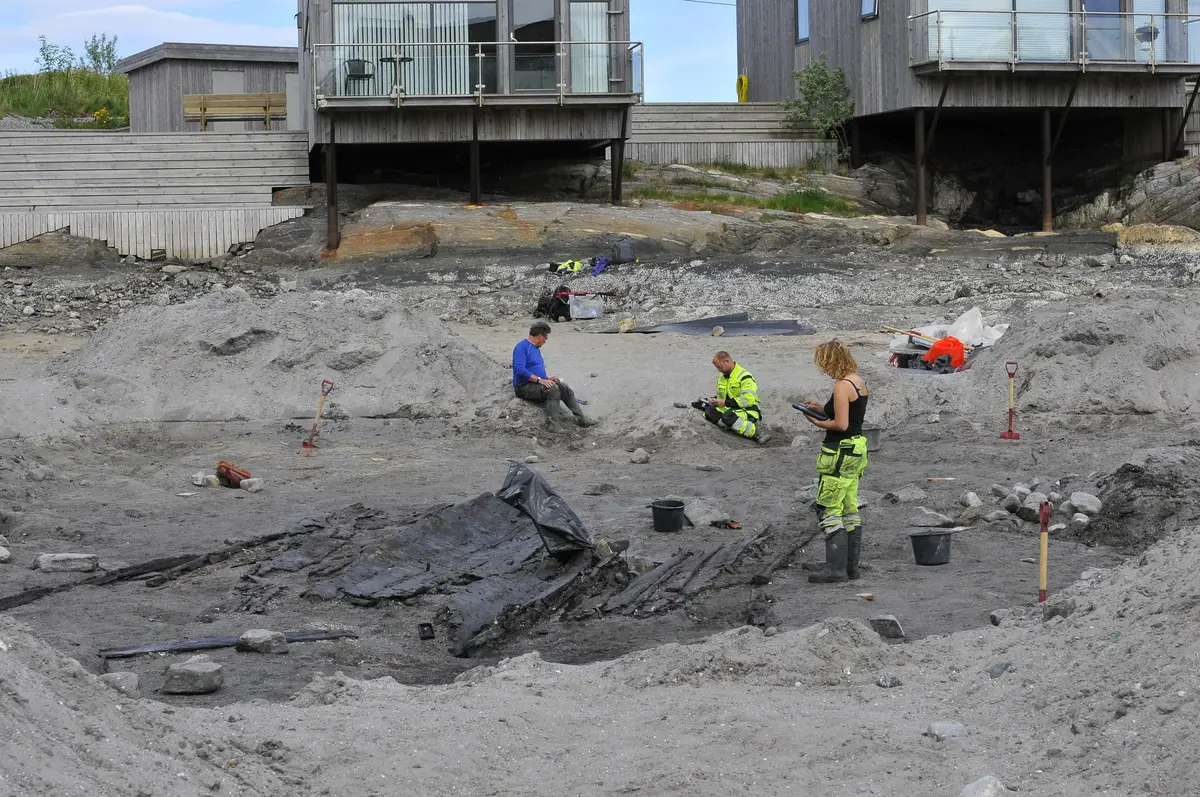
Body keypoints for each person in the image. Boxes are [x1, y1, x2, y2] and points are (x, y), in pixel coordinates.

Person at [801, 340, 869, 584]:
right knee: (850, 508)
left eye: (824, 364)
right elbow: (850, 416)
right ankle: (851, 568)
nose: (824, 370)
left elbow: (840, 424)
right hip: (857, 449)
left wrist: (818, 422)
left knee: (829, 508)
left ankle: (836, 570)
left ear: (831, 361)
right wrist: (822, 408)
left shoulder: (841, 386)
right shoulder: (858, 382)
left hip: (838, 450)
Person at [512, 321, 594, 434]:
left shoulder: (535, 349)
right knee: (553, 389)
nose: (545, 341)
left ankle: (581, 419)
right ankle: (553, 425)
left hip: (535, 383)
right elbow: (519, 369)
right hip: (523, 387)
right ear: (540, 336)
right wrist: (540, 380)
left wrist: (547, 378)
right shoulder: (522, 347)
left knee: (563, 387)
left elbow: (534, 369)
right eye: (545, 338)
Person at [701, 351, 769, 444]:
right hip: (731, 409)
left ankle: (756, 433)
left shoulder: (744, 376)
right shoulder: (722, 378)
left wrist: (724, 403)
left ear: (727, 361)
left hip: (748, 410)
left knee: (728, 416)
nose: (719, 370)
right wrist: (712, 400)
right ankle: (733, 426)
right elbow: (721, 396)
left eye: (720, 367)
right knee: (709, 411)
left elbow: (748, 400)